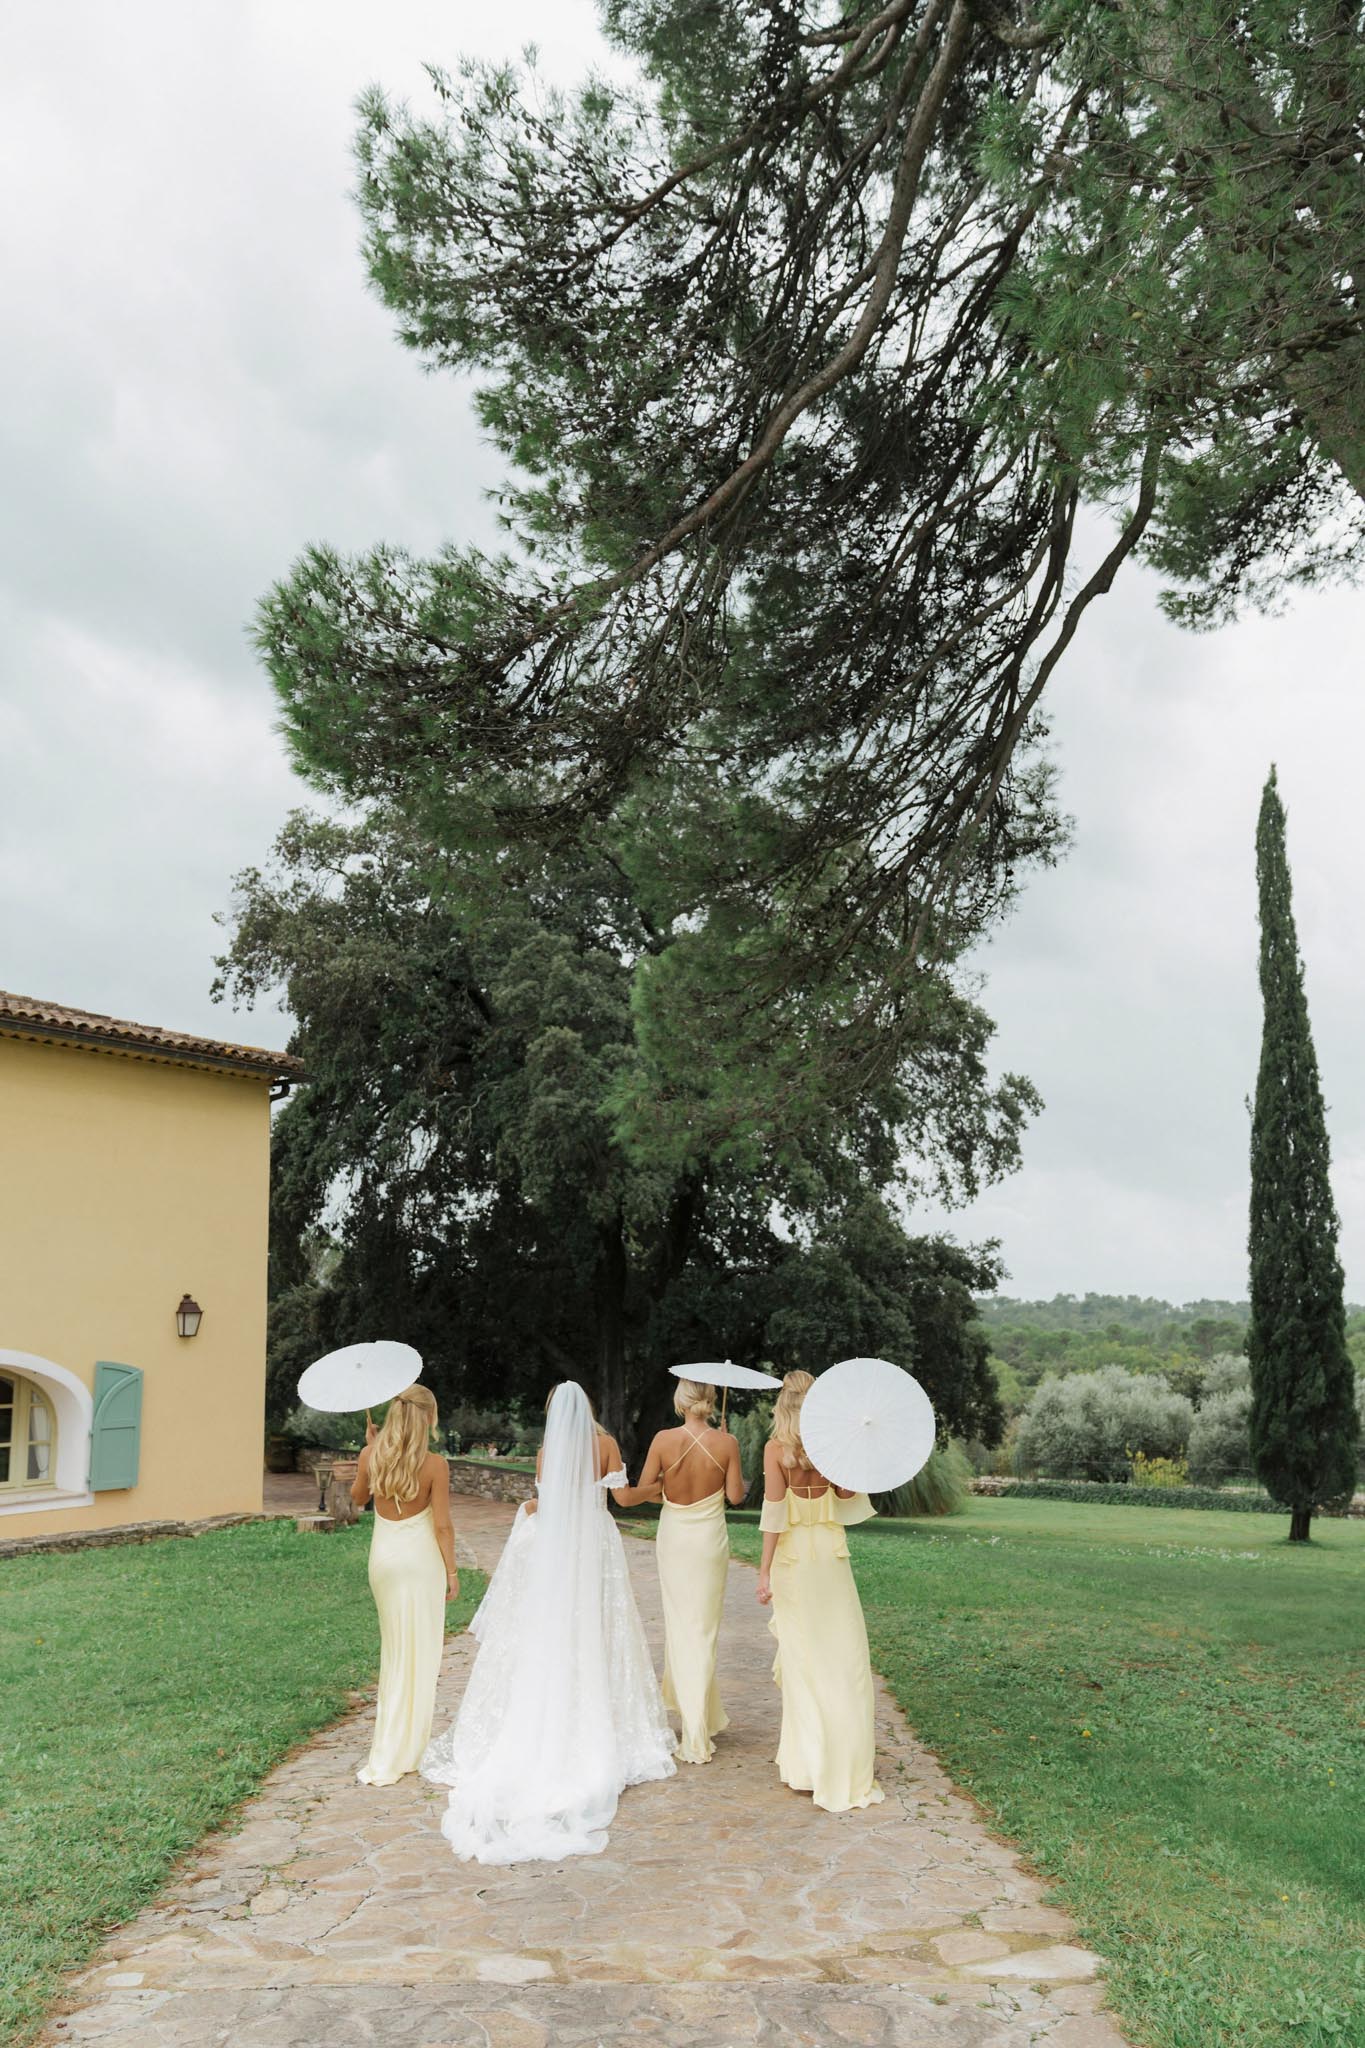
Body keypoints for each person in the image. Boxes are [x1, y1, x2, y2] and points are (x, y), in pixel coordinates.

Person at [422, 1381, 675, 1862]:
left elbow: (550, 1505)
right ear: (589, 1412)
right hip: (596, 1546)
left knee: (557, 1629)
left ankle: (553, 1706)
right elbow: (622, 1501)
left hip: (560, 1549)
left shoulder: (546, 1453)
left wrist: (529, 1510)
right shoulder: (606, 1446)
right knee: (596, 1631)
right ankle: (596, 1712)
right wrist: (655, 1490)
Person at [755, 1370, 884, 1813]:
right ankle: (843, 1761)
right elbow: (850, 1496)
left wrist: (764, 1571)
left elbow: (774, 1512)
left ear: (782, 1405)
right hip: (831, 1562)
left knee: (804, 1662)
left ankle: (809, 1766)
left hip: (795, 1564)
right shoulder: (831, 1447)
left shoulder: (776, 1450)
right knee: (844, 1659)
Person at [617, 1379, 746, 1763]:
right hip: (709, 1540)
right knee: (703, 1629)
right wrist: (724, 1455)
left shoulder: (662, 1440)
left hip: (674, 1537)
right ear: (709, 1401)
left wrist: (667, 1490)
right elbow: (736, 1496)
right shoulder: (728, 1443)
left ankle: (696, 1718)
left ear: (681, 1401)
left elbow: (647, 1489)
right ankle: (696, 1725)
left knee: (680, 1625)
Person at [350, 1384, 458, 1786]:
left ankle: (392, 1744)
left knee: (394, 1653)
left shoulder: (370, 1455)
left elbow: (359, 1497)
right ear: (428, 1417)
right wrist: (452, 1572)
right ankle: (407, 1747)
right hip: (420, 1562)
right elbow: (443, 1526)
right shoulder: (435, 1465)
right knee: (421, 1655)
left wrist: (371, 1453)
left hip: (384, 1561)